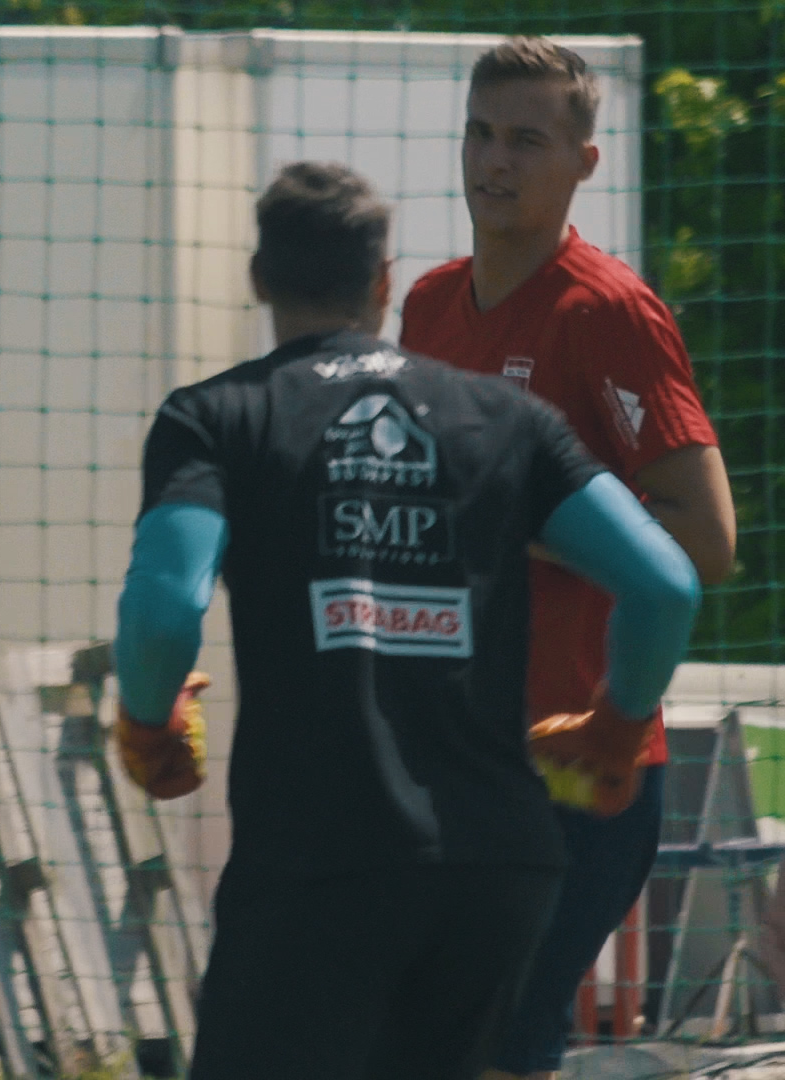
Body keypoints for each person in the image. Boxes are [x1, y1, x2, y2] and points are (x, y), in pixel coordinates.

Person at [111, 161, 701, 1080]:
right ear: (385, 283)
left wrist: (148, 723)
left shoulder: (217, 418)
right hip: (494, 869)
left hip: (317, 864)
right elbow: (665, 585)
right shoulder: (510, 420)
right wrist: (617, 726)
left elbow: (165, 612)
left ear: (259, 278)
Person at [399, 37, 737, 1079]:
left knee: (498, 1044)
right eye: (480, 133)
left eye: (526, 140)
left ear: (585, 162)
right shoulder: (428, 305)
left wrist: (534, 522)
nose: (494, 160)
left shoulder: (608, 311)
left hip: (576, 763)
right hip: (450, 754)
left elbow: (707, 540)